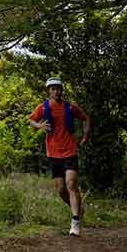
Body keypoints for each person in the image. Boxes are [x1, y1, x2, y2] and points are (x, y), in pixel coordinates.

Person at [28, 77, 89, 235]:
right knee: (61, 190)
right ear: (48, 91)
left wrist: (85, 135)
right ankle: (78, 210)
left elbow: (85, 118)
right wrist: (40, 125)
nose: (56, 91)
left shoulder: (69, 108)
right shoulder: (43, 107)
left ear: (62, 90)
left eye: (59, 88)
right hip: (53, 153)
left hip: (70, 151)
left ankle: (75, 222)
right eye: (53, 89)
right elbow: (31, 120)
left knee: (71, 184)